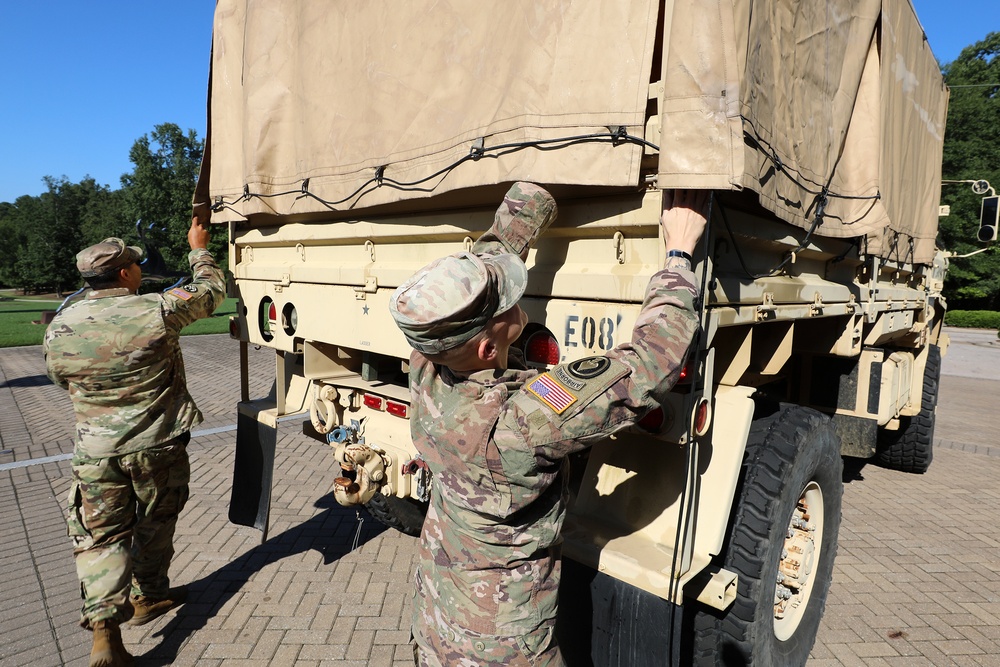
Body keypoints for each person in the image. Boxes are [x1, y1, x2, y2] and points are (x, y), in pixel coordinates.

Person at [388, 182, 708, 666]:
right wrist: (679, 253)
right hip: (505, 651)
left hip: (437, 623)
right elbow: (650, 362)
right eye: (503, 306)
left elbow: (484, 266)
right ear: (487, 350)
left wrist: (533, 193)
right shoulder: (524, 421)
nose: (514, 301)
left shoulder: (426, 367)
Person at [44, 215, 226, 667]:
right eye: (136, 266)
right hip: (157, 446)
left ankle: (106, 633)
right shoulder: (156, 308)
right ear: (125, 273)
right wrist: (198, 247)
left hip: (96, 452)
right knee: (156, 523)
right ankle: (148, 596)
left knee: (100, 539)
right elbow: (210, 290)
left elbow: (59, 378)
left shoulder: (60, 326)